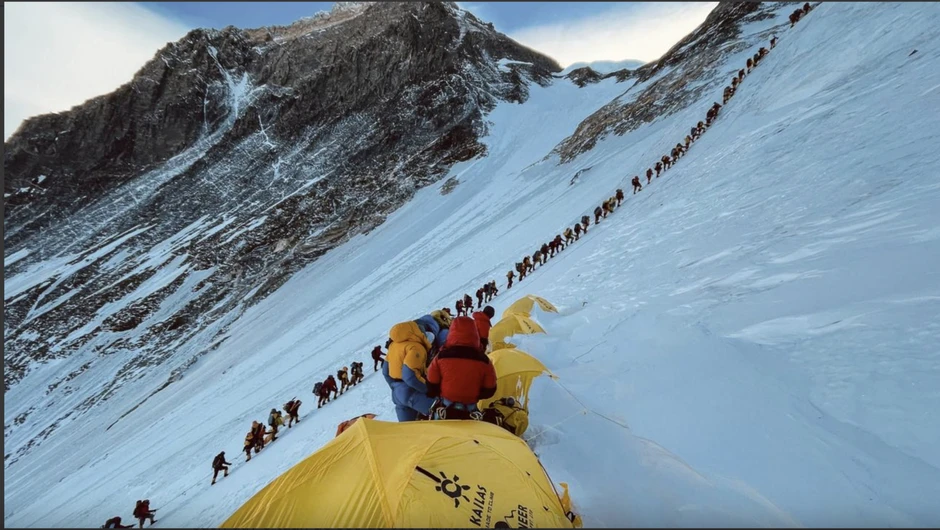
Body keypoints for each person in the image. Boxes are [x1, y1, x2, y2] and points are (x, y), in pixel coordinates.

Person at [426, 316, 498, 420]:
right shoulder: (484, 360)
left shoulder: (441, 356)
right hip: (470, 408)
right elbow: (490, 389)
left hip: (446, 407)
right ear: (475, 333)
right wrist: (476, 394)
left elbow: (431, 384)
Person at [383, 320, 436, 421]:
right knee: (446, 416)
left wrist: (395, 387)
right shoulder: (416, 347)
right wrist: (428, 389)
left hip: (397, 394)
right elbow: (410, 376)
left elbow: (385, 372)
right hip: (412, 393)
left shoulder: (393, 346)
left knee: (408, 432)